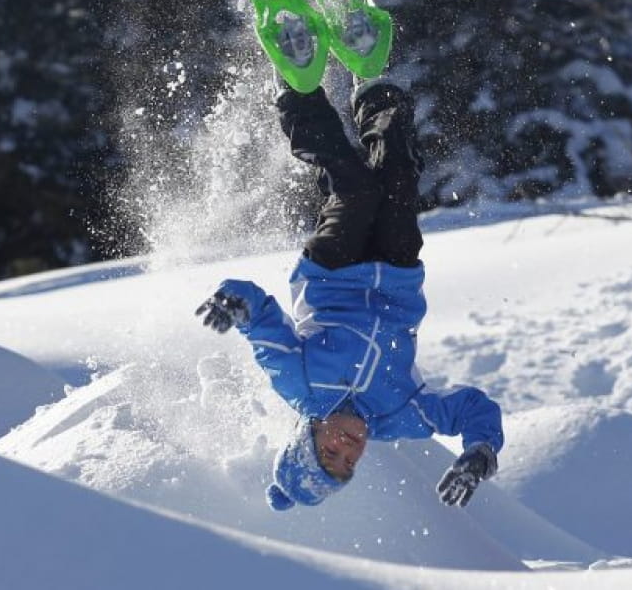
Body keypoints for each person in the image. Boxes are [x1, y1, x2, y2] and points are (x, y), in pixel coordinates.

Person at [195, 26, 503, 511]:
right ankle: (370, 81)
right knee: (398, 177)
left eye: (329, 452)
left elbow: (261, 320)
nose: (347, 448)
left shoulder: (299, 386)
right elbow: (472, 409)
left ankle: (296, 88)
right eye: (348, 463)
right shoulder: (400, 417)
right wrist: (480, 451)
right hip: (397, 280)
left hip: (331, 274)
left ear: (309, 435)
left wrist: (232, 301)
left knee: (356, 189)